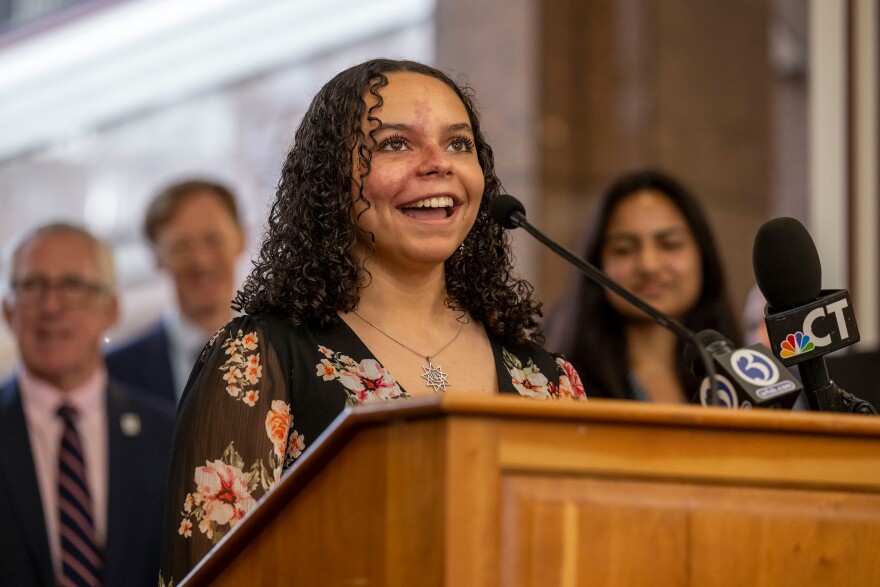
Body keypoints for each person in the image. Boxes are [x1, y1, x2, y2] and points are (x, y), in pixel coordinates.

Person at [158, 58, 586, 584]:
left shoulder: (549, 381)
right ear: (331, 179)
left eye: (458, 144)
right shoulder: (259, 359)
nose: (438, 164)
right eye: (395, 144)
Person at [0, 223, 175, 587]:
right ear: (8, 311)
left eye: (73, 286)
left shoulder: (169, 436)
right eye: (32, 286)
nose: (51, 306)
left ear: (110, 309)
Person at [545, 170, 741, 403]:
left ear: (703, 257)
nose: (649, 265)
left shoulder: (736, 374)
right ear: (596, 264)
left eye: (670, 244)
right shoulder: (558, 381)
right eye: (624, 249)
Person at [106, 179, 246, 404]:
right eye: (181, 246)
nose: (201, 260)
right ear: (156, 257)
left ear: (241, 239)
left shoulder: (283, 358)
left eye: (213, 239)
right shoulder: (114, 374)